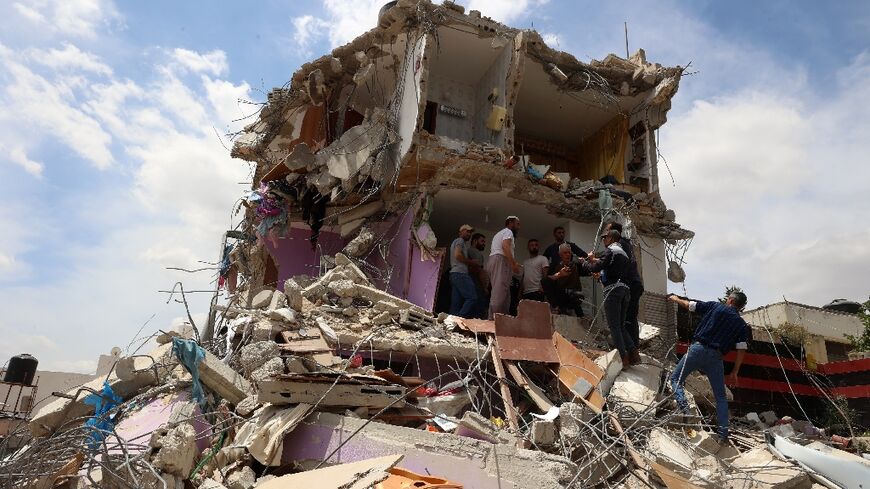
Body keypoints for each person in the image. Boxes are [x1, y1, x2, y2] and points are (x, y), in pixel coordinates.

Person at [668, 292, 750, 443]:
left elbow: (690, 305)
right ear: (741, 307)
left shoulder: (715, 306)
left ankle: (685, 409)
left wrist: (675, 299)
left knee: (675, 379)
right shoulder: (741, 325)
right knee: (720, 397)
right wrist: (735, 372)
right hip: (716, 358)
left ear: (730, 300)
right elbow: (741, 348)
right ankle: (723, 435)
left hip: (697, 350)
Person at [581, 229, 638, 365]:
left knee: (614, 326)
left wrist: (585, 263)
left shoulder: (611, 250)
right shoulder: (623, 253)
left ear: (611, 238)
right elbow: (610, 270)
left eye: (604, 238)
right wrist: (600, 276)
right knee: (621, 325)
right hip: (625, 291)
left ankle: (623, 358)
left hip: (613, 291)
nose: (603, 240)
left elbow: (596, 267)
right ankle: (634, 355)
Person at [605, 222, 644, 350]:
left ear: (612, 233)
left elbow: (610, 263)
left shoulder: (618, 246)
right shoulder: (626, 244)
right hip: (634, 283)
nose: (605, 234)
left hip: (629, 284)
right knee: (630, 318)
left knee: (624, 320)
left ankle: (629, 350)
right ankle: (633, 349)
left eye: (607, 232)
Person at [486, 216, 521, 319]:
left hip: (497, 261)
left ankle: (502, 320)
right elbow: (505, 246)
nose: (519, 227)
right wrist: (513, 264)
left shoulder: (501, 233)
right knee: (499, 294)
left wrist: (513, 263)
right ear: (510, 223)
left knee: (504, 294)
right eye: (517, 224)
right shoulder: (508, 232)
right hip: (501, 261)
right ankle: (493, 321)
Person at [544, 243, 585, 315]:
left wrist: (586, 263)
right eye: (565, 253)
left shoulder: (576, 265)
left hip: (573, 294)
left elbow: (588, 271)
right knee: (545, 281)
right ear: (560, 254)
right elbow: (546, 280)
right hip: (560, 295)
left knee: (578, 295)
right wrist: (559, 275)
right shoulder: (555, 266)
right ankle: (557, 308)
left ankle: (579, 315)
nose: (568, 255)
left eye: (569, 252)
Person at [448, 224, 479, 318]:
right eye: (467, 231)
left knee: (455, 303)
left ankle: (450, 323)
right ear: (460, 232)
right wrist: (471, 262)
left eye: (470, 232)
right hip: (460, 274)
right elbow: (457, 255)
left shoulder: (458, 242)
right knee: (472, 297)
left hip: (454, 274)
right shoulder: (460, 240)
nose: (469, 234)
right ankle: (459, 319)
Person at [467, 233, 489, 318]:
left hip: (471, 282)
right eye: (482, 241)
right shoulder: (475, 252)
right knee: (478, 311)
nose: (484, 244)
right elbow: (479, 270)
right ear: (475, 241)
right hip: (476, 283)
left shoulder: (468, 251)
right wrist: (484, 287)